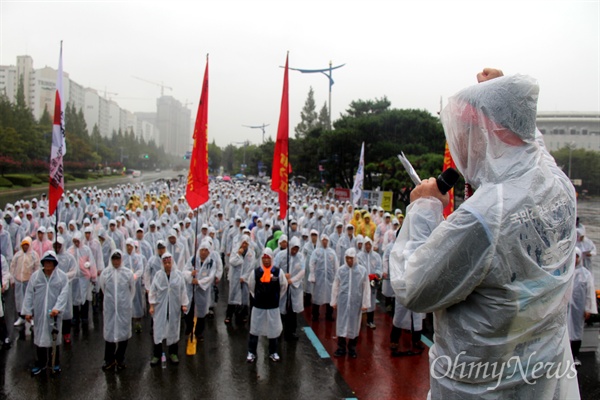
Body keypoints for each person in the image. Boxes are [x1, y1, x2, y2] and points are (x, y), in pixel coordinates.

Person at [390, 70, 579, 398]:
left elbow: (413, 287)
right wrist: (501, 98)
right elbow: (529, 137)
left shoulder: (485, 215)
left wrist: (423, 209)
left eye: (468, 132)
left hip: (483, 385)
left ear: (492, 134)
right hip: (545, 379)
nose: (463, 145)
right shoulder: (556, 180)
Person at [22, 251, 69, 375]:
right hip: (40, 312)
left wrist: (57, 308)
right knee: (40, 338)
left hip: (54, 314)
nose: (48, 264)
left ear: (54, 263)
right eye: (46, 262)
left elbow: (64, 294)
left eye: (50, 262)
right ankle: (41, 363)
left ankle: (55, 362)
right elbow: (29, 294)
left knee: (54, 337)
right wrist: (27, 310)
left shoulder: (61, 277)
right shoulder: (36, 276)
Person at [246, 248, 288, 363]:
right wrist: (258, 296)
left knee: (273, 330)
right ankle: (251, 352)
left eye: (268, 258)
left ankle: (273, 352)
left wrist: (276, 297)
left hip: (272, 306)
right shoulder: (256, 272)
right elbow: (251, 286)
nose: (266, 261)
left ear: (272, 259)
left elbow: (284, 286)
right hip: (259, 306)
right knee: (255, 329)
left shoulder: (278, 272)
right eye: (264, 259)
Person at [148, 252, 189, 366]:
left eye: (169, 262)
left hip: (173, 308)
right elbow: (153, 291)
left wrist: (184, 304)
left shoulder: (178, 275)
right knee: (158, 330)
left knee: (173, 329)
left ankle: (173, 353)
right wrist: (151, 305)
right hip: (160, 308)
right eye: (165, 262)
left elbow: (183, 291)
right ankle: (157, 354)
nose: (167, 265)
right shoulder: (158, 275)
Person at [331, 248, 370, 358]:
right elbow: (336, 285)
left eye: (351, 258)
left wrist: (365, 303)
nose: (349, 261)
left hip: (355, 303)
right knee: (341, 324)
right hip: (343, 302)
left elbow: (366, 287)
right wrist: (334, 300)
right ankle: (341, 347)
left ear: (355, 258)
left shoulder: (362, 271)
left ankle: (352, 348)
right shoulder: (341, 270)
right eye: (347, 258)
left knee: (354, 325)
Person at [99, 250, 135, 371]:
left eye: (118, 259)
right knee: (110, 333)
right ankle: (109, 359)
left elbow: (132, 290)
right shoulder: (105, 273)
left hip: (123, 308)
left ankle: (120, 358)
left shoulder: (128, 273)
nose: (116, 261)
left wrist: (125, 303)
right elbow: (103, 288)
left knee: (123, 333)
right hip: (110, 309)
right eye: (114, 259)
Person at [568, 248, 597, 367]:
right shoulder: (564, 272)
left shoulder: (585, 274)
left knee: (576, 333)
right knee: (564, 332)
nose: (574, 259)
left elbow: (590, 293)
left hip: (578, 309)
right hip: (565, 309)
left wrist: (588, 309)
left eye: (576, 256)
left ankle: (574, 356)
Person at [183, 241, 216, 343]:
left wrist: (199, 282)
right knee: (189, 310)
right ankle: (189, 327)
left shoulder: (211, 263)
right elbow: (184, 271)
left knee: (201, 312)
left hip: (202, 291)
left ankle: (199, 332)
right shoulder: (192, 260)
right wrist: (190, 275)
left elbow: (210, 277)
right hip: (191, 289)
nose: (203, 252)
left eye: (206, 250)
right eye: (202, 250)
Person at [276, 236, 304, 341]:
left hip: (294, 287)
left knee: (292, 311)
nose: (294, 251)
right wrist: (283, 276)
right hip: (283, 286)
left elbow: (302, 271)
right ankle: (279, 331)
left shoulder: (300, 257)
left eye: (297, 249)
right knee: (281, 310)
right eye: (293, 248)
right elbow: (275, 269)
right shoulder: (281, 255)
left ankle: (291, 331)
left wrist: (292, 280)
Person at [10, 237, 39, 328]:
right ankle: (21, 317)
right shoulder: (18, 255)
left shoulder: (34, 255)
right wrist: (12, 279)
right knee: (19, 300)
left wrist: (35, 281)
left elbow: (37, 268)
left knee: (30, 299)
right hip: (19, 281)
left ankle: (32, 317)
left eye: (27, 245)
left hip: (29, 281)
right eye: (23, 245)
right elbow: (12, 266)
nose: (25, 247)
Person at [226, 235, 254, 325]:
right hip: (235, 278)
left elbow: (251, 266)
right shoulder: (235, 251)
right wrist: (238, 255)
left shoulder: (251, 253)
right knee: (233, 296)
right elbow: (232, 262)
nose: (244, 245)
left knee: (244, 297)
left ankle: (242, 316)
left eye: (246, 243)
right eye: (243, 243)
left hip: (245, 279)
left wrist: (245, 277)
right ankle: (229, 315)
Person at [309, 234, 338, 322]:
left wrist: (336, 277)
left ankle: (329, 315)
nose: (325, 242)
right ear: (321, 241)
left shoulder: (332, 252)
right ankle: (315, 315)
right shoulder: (316, 252)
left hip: (330, 279)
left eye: (326, 240)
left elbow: (336, 265)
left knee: (330, 297)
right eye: (323, 240)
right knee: (317, 297)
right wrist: (312, 275)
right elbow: (312, 263)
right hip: (319, 279)